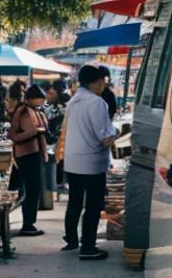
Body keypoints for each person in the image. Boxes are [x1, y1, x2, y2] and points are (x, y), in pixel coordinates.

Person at [63, 65, 118, 259]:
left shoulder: (73, 102)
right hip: (91, 163)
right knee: (93, 206)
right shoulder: (97, 103)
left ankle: (71, 240)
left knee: (75, 201)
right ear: (95, 82)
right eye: (102, 82)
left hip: (72, 161)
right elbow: (104, 136)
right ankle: (88, 247)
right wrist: (118, 134)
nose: (104, 85)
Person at [8, 85, 50, 236]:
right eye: (40, 98)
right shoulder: (23, 111)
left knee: (34, 189)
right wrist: (35, 132)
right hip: (26, 154)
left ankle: (29, 223)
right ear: (33, 97)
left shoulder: (35, 110)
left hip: (35, 153)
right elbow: (13, 134)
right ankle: (27, 224)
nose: (42, 101)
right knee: (31, 190)